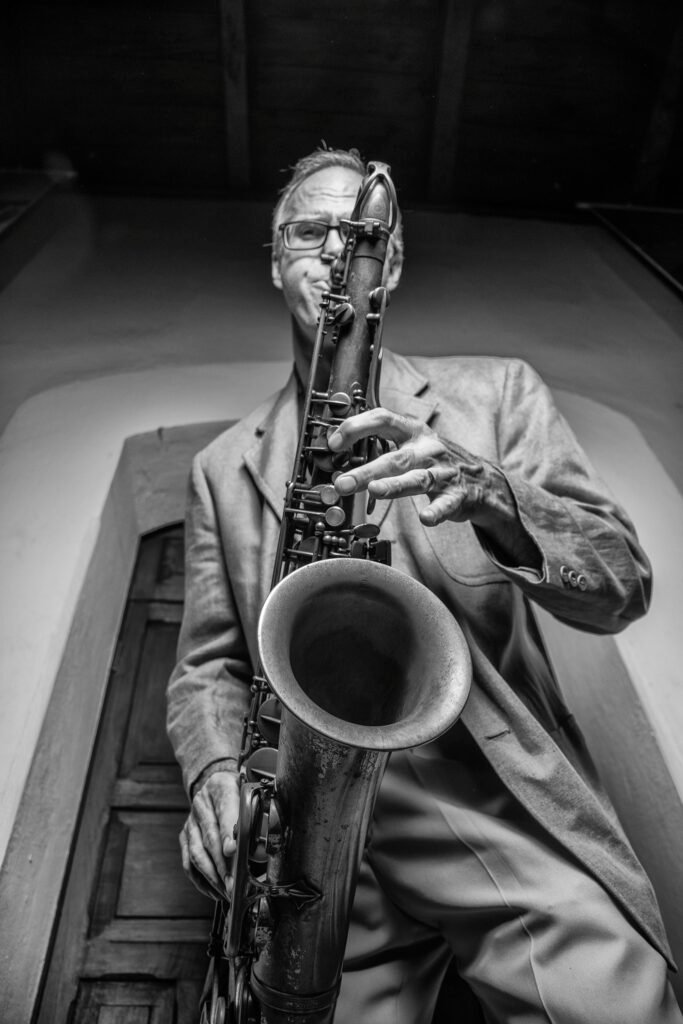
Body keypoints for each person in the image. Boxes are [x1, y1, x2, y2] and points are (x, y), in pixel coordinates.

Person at [167, 147, 681, 1023]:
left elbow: (619, 583)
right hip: (306, 826)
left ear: (388, 264)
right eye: (307, 231)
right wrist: (215, 769)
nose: (332, 251)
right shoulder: (221, 468)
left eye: (355, 235)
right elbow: (208, 664)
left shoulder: (498, 394)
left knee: (619, 1009)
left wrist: (496, 495)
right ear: (275, 259)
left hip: (489, 786)